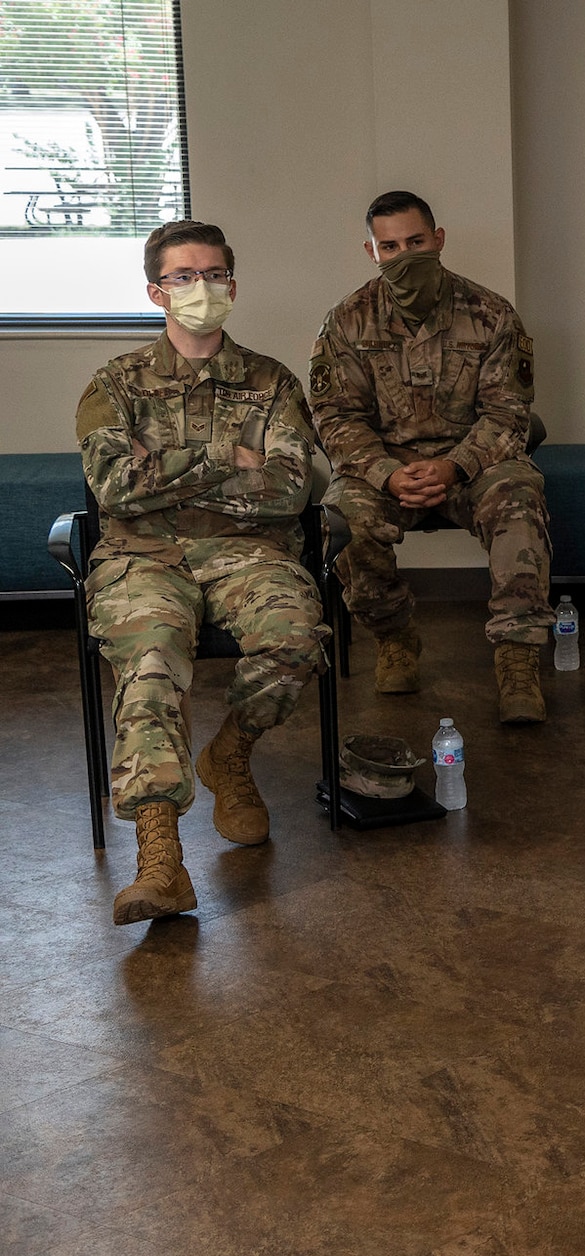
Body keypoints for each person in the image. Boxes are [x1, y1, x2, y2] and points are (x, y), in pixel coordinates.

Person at [75, 220, 328, 924]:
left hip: (249, 551)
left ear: (234, 286)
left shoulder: (271, 381)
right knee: (151, 661)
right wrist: (227, 460)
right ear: (157, 291)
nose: (202, 288)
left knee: (297, 635)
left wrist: (169, 474)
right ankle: (161, 861)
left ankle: (231, 753)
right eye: (184, 277)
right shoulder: (115, 384)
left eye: (214, 274)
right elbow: (114, 490)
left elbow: (290, 490)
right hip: (142, 558)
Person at [310, 190, 553, 723]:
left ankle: (517, 660)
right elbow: (335, 418)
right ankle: (395, 637)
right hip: (386, 467)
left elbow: (509, 413)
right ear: (372, 251)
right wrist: (387, 474)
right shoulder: (347, 321)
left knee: (519, 498)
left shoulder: (490, 314)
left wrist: (455, 466)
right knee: (341, 516)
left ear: (438, 240)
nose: (405, 255)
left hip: (475, 464)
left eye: (416, 242)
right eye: (390, 245)